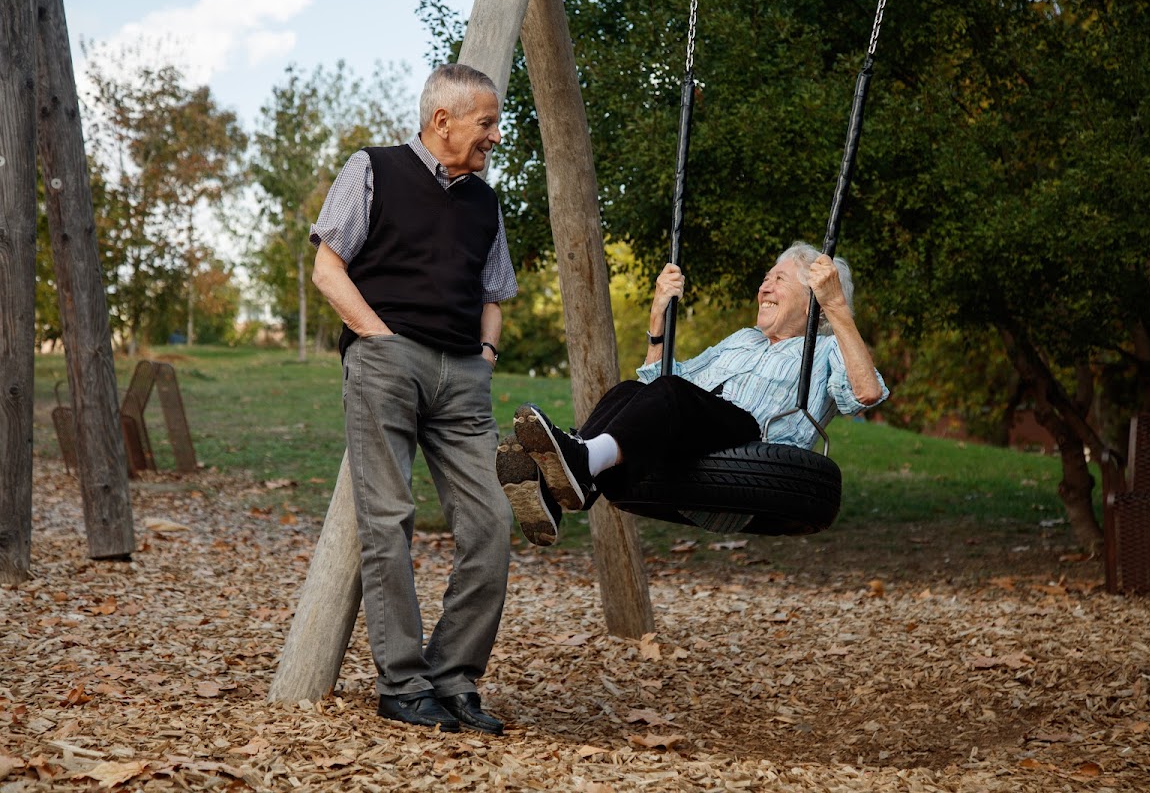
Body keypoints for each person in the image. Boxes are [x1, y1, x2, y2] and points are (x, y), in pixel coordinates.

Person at [310, 64, 517, 735]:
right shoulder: (373, 168)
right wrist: (377, 336)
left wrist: (485, 358)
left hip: (463, 374)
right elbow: (326, 266)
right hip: (387, 359)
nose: (494, 135)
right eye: (486, 123)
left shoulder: (485, 202)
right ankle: (402, 684)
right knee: (389, 518)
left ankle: (454, 678)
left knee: (491, 524)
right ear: (442, 122)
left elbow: (493, 293)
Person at [497, 241, 889, 546]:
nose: (763, 286)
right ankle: (566, 487)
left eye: (779, 280)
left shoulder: (827, 348)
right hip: (701, 438)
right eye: (765, 278)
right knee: (630, 390)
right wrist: (657, 320)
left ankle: (580, 462)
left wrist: (836, 307)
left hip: (757, 442)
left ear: (814, 301)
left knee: (673, 394)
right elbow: (657, 384)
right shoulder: (743, 340)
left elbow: (867, 393)